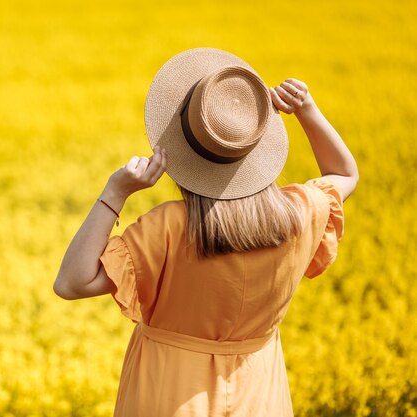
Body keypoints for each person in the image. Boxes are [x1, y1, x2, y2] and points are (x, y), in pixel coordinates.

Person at [53, 48, 358, 417]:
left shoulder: (169, 227)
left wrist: (115, 192)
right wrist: (307, 110)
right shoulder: (298, 214)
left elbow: (72, 283)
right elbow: (344, 175)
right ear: (257, 148)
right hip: (260, 396)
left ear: (183, 152)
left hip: (167, 395)